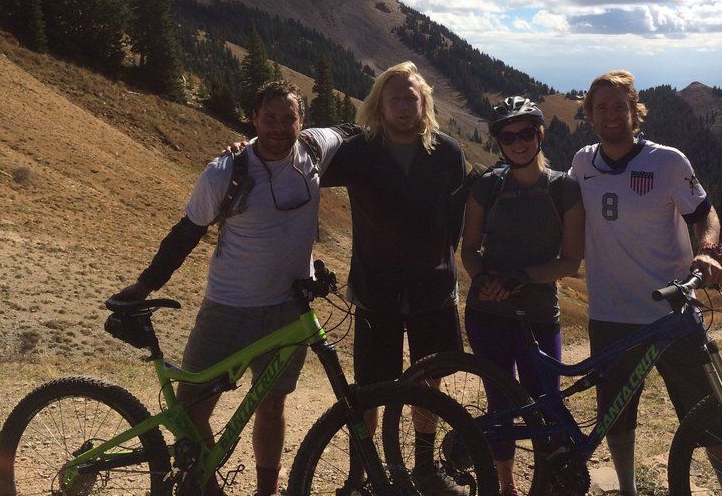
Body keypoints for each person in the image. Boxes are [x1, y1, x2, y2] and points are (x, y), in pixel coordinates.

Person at [109, 80, 349, 496]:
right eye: (268, 118)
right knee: (191, 409)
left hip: (288, 310)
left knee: (271, 404)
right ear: (253, 120)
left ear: (302, 121)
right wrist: (145, 284)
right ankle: (204, 484)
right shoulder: (226, 170)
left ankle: (266, 491)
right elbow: (187, 232)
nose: (278, 127)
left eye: (287, 118)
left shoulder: (312, 149)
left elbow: (353, 130)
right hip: (227, 308)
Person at [569, 70, 722, 496]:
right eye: (601, 107)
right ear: (590, 114)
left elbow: (705, 214)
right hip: (609, 314)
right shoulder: (581, 162)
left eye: (619, 106)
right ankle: (627, 489)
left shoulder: (668, 161)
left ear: (634, 110)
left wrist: (708, 250)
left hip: (673, 311)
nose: (611, 115)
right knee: (616, 414)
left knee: (708, 413)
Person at [319, 61, 468, 495]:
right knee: (370, 389)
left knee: (430, 380)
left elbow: (456, 220)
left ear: (424, 103)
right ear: (379, 104)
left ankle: (424, 468)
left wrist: (440, 256)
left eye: (411, 98)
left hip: (433, 290)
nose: (404, 106)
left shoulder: (447, 152)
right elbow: (303, 170)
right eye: (395, 98)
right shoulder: (359, 151)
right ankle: (361, 475)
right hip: (374, 289)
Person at [461, 97, 584, 496]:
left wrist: (521, 278)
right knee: (500, 401)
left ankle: (546, 483)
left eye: (526, 133)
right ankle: (504, 485)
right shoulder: (488, 184)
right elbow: (469, 249)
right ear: (499, 142)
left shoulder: (564, 187)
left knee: (545, 402)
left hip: (537, 311)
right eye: (508, 136)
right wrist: (483, 280)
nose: (518, 143)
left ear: (540, 134)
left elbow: (569, 261)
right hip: (488, 310)